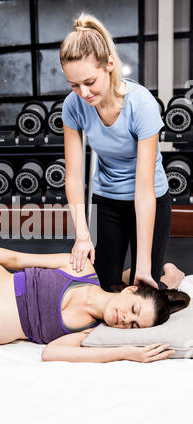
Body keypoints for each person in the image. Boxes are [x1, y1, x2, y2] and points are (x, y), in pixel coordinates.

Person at [0, 241, 189, 363]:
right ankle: (170, 276)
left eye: (134, 325)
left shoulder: (88, 332)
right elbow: (16, 258)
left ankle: (171, 278)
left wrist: (126, 352)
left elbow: (51, 354)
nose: (125, 319)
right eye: (133, 310)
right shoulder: (81, 269)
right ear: (129, 291)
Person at [60, 12, 171, 291]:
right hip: (107, 198)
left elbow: (144, 189)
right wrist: (82, 235)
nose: (83, 93)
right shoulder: (73, 106)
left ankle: (170, 273)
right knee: (102, 289)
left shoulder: (141, 104)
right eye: (74, 85)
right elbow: (73, 177)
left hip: (149, 197)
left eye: (89, 82)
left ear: (109, 64)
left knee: (146, 286)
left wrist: (143, 267)